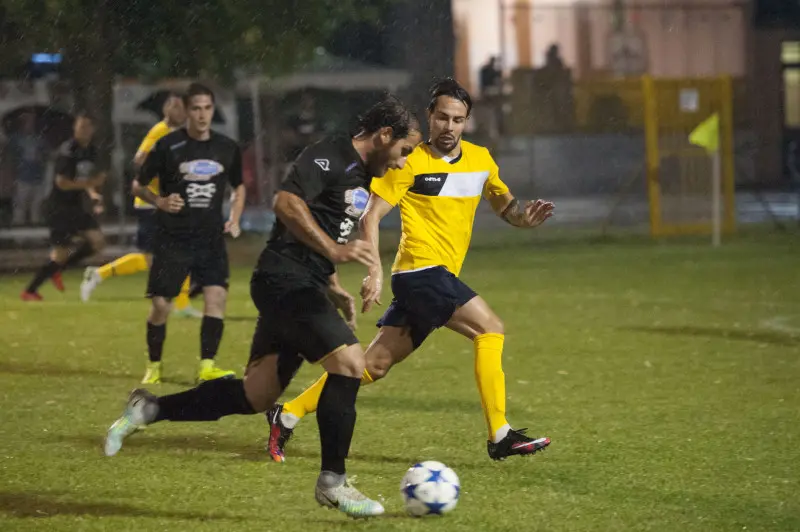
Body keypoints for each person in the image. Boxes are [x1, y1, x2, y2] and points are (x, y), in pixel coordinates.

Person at [104, 95, 423, 518]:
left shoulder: (361, 175)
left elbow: (317, 228)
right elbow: (285, 203)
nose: (403, 163)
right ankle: (334, 482)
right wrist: (333, 251)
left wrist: (331, 283)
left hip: (301, 283)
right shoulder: (330, 155)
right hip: (282, 281)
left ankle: (150, 408)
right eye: (404, 151)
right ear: (385, 135)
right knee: (349, 364)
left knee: (257, 394)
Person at [266, 78, 555, 464]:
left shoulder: (482, 161)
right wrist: (375, 270)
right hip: (420, 272)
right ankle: (499, 433)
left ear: (466, 122)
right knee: (491, 328)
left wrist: (525, 220)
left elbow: (508, 208)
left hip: (435, 279)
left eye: (457, 119)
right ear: (429, 117)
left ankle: (287, 414)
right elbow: (371, 215)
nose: (449, 127)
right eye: (442, 118)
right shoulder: (410, 160)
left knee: (373, 365)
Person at [130, 83, 244, 384]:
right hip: (173, 237)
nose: (202, 114)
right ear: (187, 110)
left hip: (210, 238)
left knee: (216, 298)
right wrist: (160, 201)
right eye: (196, 108)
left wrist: (234, 218)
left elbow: (239, 186)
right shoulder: (168, 146)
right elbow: (138, 184)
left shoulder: (226, 147)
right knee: (160, 305)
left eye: (207, 108)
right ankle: (154, 365)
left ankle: (207, 365)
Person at [80, 93, 200, 317]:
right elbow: (139, 159)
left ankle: (182, 306)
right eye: (173, 106)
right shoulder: (160, 131)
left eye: (180, 107)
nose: (177, 111)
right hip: (152, 203)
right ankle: (99, 274)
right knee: (155, 257)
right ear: (166, 110)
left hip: (168, 202)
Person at [20, 112, 106, 301]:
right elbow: (62, 183)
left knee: (97, 242)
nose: (83, 130)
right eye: (80, 126)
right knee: (60, 254)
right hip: (59, 207)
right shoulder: (68, 150)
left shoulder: (91, 150)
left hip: (75, 206)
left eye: (87, 127)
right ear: (74, 128)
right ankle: (30, 291)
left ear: (93, 129)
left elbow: (86, 179)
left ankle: (58, 270)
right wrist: (89, 183)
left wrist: (94, 194)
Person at [10, 111, 48, 226]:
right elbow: (11, 157)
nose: (30, 124)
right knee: (20, 206)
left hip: (37, 177)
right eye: (27, 122)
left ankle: (36, 236)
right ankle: (18, 238)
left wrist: (43, 157)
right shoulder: (16, 139)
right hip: (22, 177)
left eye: (32, 122)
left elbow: (46, 154)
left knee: (36, 207)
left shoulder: (40, 139)